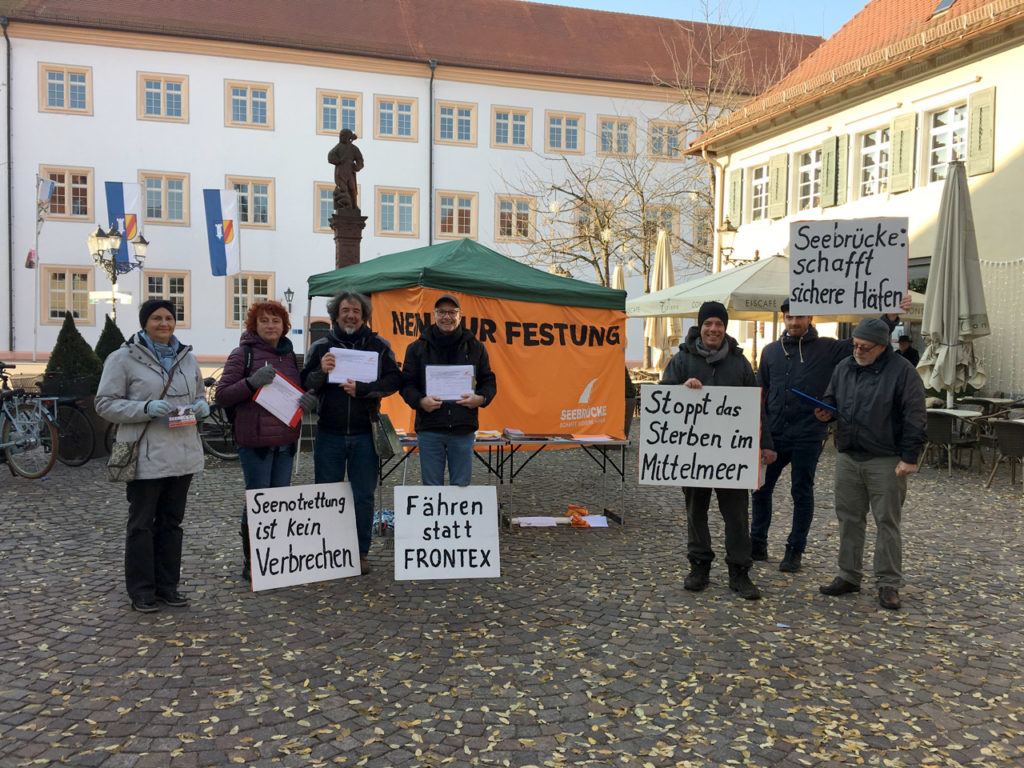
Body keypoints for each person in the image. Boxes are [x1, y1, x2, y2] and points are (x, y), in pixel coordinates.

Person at [751, 298, 906, 571]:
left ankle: (794, 549)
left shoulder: (828, 348)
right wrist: (759, 432)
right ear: (784, 319)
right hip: (774, 434)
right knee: (761, 489)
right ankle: (757, 542)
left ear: (810, 317)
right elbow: (760, 393)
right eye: (789, 318)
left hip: (808, 434)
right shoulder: (770, 352)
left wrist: (889, 318)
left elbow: (862, 341)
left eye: (799, 317)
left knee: (802, 492)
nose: (794, 322)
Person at [96, 299, 208, 613]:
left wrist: (202, 407)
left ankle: (168, 586)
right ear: (145, 323)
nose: (164, 323)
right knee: (142, 525)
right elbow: (104, 403)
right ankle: (142, 591)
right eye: (156, 318)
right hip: (145, 456)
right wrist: (143, 409)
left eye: (169, 318)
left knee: (172, 524)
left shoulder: (188, 358)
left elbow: (198, 395)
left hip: (182, 454)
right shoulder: (123, 358)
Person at [659, 301, 775, 600]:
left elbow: (756, 407)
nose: (714, 329)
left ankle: (739, 571)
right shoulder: (681, 361)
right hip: (692, 454)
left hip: (732, 457)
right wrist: (682, 390)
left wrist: (766, 443)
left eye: (719, 325)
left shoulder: (740, 363)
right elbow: (662, 400)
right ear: (701, 326)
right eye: (708, 324)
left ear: (725, 328)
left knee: (736, 515)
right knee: (696, 511)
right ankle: (699, 566)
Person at [814, 317, 926, 610]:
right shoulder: (845, 367)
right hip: (849, 453)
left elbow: (915, 416)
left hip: (886, 457)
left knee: (887, 521)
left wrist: (909, 457)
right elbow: (832, 398)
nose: (858, 351)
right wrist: (825, 412)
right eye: (855, 345)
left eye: (864, 347)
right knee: (848, 518)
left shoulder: (903, 372)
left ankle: (888, 582)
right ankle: (848, 575)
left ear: (881, 346)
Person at [300, 292, 401, 574]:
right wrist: (321, 371)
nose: (351, 315)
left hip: (364, 433)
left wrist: (364, 389)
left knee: (363, 496)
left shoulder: (379, 345)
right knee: (327, 494)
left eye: (356, 311)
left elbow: (394, 380)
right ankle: (329, 550)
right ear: (336, 314)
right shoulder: (321, 346)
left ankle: (359, 552)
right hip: (329, 432)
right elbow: (305, 382)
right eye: (345, 310)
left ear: (364, 315)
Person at [215, 300, 317, 577]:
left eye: (276, 321)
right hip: (255, 442)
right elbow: (222, 395)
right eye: (264, 321)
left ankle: (275, 558)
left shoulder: (289, 355)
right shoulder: (242, 354)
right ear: (254, 325)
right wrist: (251, 382)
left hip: (285, 442)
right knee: (259, 501)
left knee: (279, 502)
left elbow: (296, 393)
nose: (271, 326)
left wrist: (306, 402)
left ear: (284, 326)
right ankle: (253, 561)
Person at [401, 294, 497, 486]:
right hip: (429, 429)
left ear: (460, 316)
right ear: (434, 315)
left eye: (452, 312)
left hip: (463, 429)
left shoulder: (476, 347)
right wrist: (420, 401)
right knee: (431, 488)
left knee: (461, 488)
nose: (447, 317)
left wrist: (481, 398)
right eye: (442, 312)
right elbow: (406, 384)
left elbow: (489, 381)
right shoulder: (416, 348)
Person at [327, 128, 364, 210]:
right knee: (343, 189)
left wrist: (357, 167)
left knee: (352, 189)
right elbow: (330, 156)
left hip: (350, 171)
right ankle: (346, 206)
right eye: (341, 136)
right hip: (340, 171)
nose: (341, 138)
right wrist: (338, 161)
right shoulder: (339, 147)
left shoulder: (354, 148)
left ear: (348, 137)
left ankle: (354, 206)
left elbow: (360, 160)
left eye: (343, 136)